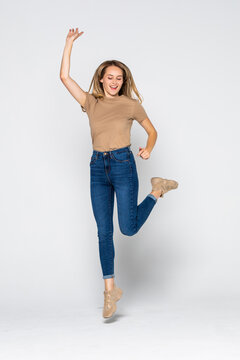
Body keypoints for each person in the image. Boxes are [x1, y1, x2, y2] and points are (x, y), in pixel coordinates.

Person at [60, 28, 179, 319]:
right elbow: (64, 78)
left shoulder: (131, 105)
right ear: (101, 78)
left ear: (123, 82)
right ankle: (109, 291)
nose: (114, 82)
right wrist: (68, 44)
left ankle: (157, 189)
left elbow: (151, 131)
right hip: (97, 168)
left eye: (119, 78)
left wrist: (149, 148)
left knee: (128, 228)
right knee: (104, 232)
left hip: (123, 164)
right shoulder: (91, 102)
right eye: (109, 77)